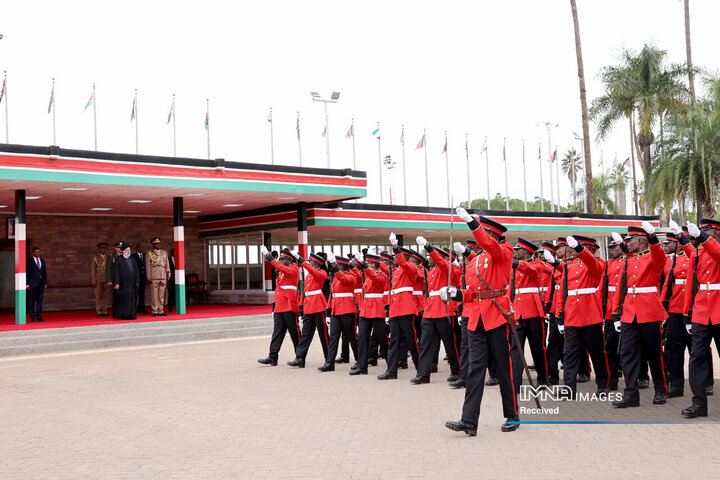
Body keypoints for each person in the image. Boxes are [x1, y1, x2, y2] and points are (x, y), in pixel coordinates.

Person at [443, 209, 519, 435]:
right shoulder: (476, 260)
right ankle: (469, 421)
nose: (481, 237)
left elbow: (490, 246)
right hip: (476, 319)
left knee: (504, 369)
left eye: (484, 233)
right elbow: (473, 293)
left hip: (496, 316)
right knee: (475, 370)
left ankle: (512, 415)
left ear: (492, 235)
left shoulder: (503, 251)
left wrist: (471, 223)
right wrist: (457, 294)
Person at [611, 223, 669, 408]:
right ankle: (631, 394)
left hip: (649, 311)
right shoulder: (629, 259)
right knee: (628, 354)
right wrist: (616, 314)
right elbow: (621, 287)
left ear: (641, 240)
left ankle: (660, 389)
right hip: (630, 312)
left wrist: (653, 236)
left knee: (654, 353)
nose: (628, 243)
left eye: (631, 239)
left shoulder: (653, 256)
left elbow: (659, 254)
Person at [547, 235, 610, 398]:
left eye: (578, 249)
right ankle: (569, 388)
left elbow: (591, 263)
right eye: (574, 249)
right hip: (572, 315)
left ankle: (603, 385)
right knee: (570, 354)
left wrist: (581, 249)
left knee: (597, 353)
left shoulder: (597, 263)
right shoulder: (569, 265)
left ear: (589, 250)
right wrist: (559, 316)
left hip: (590, 314)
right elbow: (563, 291)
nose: (574, 252)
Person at [679, 219, 720, 418]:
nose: (702, 235)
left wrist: (703, 238)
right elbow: (691, 284)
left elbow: (717, 253)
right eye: (701, 232)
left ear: (717, 233)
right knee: (696, 358)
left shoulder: (714, 249)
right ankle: (699, 404)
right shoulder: (697, 254)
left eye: (707, 232)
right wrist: (688, 314)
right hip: (702, 310)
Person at [412, 237, 461, 385]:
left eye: (432, 257)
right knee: (426, 344)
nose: (429, 259)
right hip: (430, 310)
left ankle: (456, 371)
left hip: (444, 309)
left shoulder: (449, 268)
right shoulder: (432, 271)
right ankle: (423, 374)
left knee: (449, 343)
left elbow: (440, 262)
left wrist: (428, 246)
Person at [377, 235, 421, 380]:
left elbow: (404, 264)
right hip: (396, 308)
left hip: (406, 308)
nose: (393, 259)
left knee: (411, 341)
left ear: (404, 256)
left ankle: (421, 369)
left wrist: (396, 248)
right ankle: (392, 370)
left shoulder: (411, 267)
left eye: (396, 256)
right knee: (394, 341)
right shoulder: (395, 271)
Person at [509, 238, 549, 388]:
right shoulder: (514, 266)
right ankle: (516, 382)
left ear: (525, 251)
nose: (514, 252)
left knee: (537, 347)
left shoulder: (537, 263)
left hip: (533, 310)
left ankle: (542, 379)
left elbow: (531, 271)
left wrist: (515, 264)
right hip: (518, 309)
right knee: (516, 347)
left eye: (517, 249)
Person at [258, 247, 300, 366]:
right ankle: (272, 356)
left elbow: (281, 267)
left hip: (289, 305)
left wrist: (269, 256)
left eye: (283, 259)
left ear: (290, 259)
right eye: (279, 259)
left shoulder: (293, 269)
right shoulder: (282, 272)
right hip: (280, 305)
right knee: (277, 332)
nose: (280, 261)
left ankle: (300, 356)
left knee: (294, 332)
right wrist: (274, 307)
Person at [288, 251, 329, 368]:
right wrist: (301, 309)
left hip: (318, 306)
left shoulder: (322, 273)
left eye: (310, 261)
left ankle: (328, 358)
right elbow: (304, 292)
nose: (309, 262)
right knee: (306, 334)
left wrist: (300, 259)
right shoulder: (309, 275)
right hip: (308, 307)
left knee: (323, 334)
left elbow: (312, 270)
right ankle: (300, 357)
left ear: (316, 262)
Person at [351, 253, 389, 375]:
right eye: (368, 263)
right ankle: (362, 366)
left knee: (382, 339)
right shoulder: (368, 275)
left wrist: (363, 264)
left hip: (377, 310)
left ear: (376, 264)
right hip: (366, 309)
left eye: (370, 263)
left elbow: (374, 278)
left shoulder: (382, 275)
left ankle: (391, 363)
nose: (369, 265)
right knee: (362, 338)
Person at [319, 253, 359, 372]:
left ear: (344, 266)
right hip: (336, 310)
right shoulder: (336, 277)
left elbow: (344, 278)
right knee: (334, 337)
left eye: (339, 265)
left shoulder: (352, 276)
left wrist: (334, 266)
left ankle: (359, 360)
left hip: (347, 310)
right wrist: (329, 309)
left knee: (352, 336)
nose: (337, 267)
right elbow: (333, 294)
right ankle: (330, 362)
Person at [603, 240, 627, 390]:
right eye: (610, 248)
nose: (612, 250)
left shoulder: (629, 262)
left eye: (614, 247)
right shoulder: (608, 264)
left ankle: (641, 377)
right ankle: (611, 380)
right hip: (610, 310)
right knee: (610, 347)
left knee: (630, 347)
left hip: (627, 307)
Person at [113, 243, 140, 320]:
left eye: (129, 250)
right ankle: (124, 315)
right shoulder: (119, 259)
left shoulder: (133, 259)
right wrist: (117, 283)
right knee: (124, 300)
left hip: (132, 283)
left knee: (132, 300)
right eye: (127, 250)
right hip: (123, 284)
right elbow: (116, 272)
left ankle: (132, 315)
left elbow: (136, 270)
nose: (129, 251)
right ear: (123, 251)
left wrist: (137, 281)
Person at [146, 237, 171, 317]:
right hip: (154, 275)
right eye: (156, 244)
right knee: (154, 294)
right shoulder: (149, 253)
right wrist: (148, 276)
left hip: (163, 275)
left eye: (159, 243)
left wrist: (168, 274)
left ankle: (161, 310)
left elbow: (167, 263)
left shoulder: (164, 252)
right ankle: (155, 310)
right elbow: (147, 266)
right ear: (153, 245)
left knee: (162, 295)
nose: (158, 245)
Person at [26, 246, 48, 322]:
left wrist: (45, 282)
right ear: (33, 253)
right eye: (36, 252)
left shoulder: (42, 260)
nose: (38, 253)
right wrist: (27, 284)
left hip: (41, 284)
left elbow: (44, 272)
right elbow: (26, 273)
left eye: (39, 252)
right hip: (32, 284)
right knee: (32, 301)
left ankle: (39, 317)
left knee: (40, 301)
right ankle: (32, 317)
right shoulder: (29, 261)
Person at [91, 242, 111, 317]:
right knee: (98, 296)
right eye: (102, 248)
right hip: (98, 279)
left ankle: (105, 310)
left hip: (107, 279)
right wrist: (93, 280)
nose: (104, 250)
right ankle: (99, 311)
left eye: (105, 248)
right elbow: (93, 269)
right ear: (99, 249)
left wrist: (110, 279)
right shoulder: (95, 257)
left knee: (106, 296)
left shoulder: (108, 257)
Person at [131, 243, 149, 314]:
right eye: (140, 247)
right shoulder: (133, 256)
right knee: (136, 294)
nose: (141, 249)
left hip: (143, 278)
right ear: (137, 248)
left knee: (142, 294)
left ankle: (142, 308)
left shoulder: (145, 256)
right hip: (136, 278)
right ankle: (135, 308)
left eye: (142, 247)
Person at [108, 241, 122, 318]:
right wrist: (109, 280)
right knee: (116, 297)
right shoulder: (111, 257)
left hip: (123, 280)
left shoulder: (124, 256)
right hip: (114, 280)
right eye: (119, 247)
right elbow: (108, 270)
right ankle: (116, 313)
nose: (120, 249)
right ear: (116, 248)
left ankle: (123, 311)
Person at [168, 248, 176, 313]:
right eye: (173, 251)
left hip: (178, 280)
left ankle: (177, 307)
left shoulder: (179, 259)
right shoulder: (168, 259)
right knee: (171, 294)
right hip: (170, 280)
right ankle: (170, 308)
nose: (174, 253)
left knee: (177, 294)